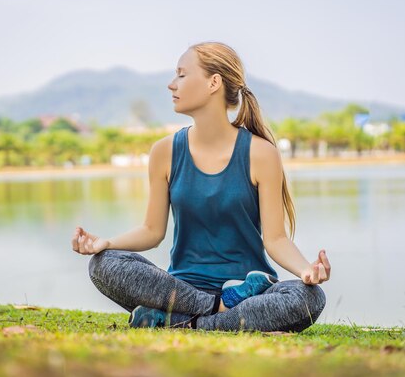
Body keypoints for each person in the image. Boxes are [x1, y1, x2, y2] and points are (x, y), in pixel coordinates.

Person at [72, 41, 331, 332]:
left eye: (182, 75)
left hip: (252, 293)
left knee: (308, 298)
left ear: (214, 83)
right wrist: (107, 243)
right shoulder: (164, 152)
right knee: (103, 264)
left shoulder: (260, 153)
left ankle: (177, 321)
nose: (172, 85)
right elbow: (152, 231)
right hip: (182, 288)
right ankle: (215, 312)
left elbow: (276, 240)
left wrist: (305, 270)